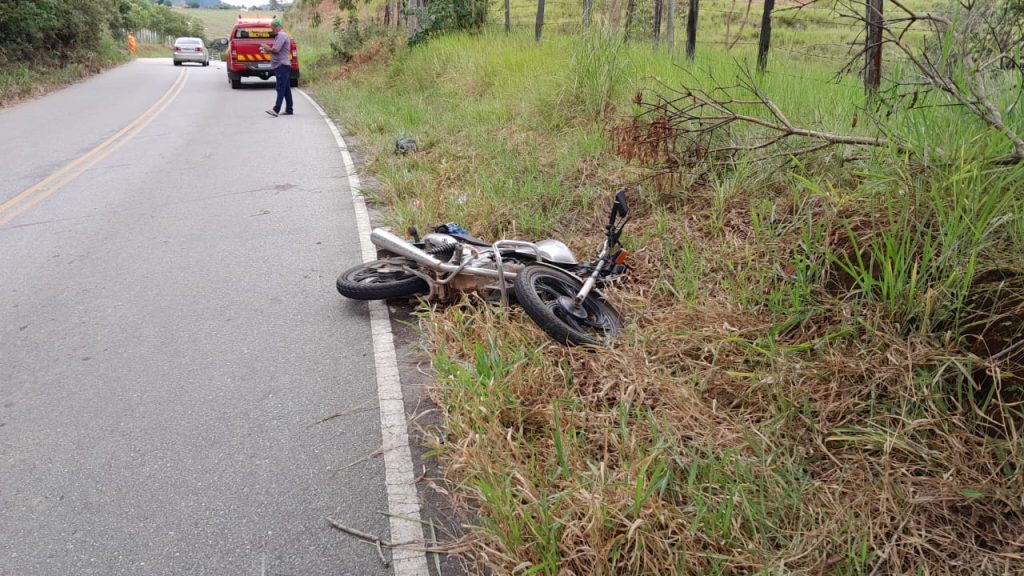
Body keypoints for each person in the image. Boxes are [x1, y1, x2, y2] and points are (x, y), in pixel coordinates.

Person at [263, 19, 293, 117]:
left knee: (280, 87)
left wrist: (268, 48)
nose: (272, 30)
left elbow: (276, 50)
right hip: (282, 65)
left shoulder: (281, 35)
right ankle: (289, 109)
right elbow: (276, 50)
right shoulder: (280, 36)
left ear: (277, 27)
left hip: (281, 65)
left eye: (272, 28)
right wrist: (268, 50)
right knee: (286, 88)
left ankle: (276, 109)